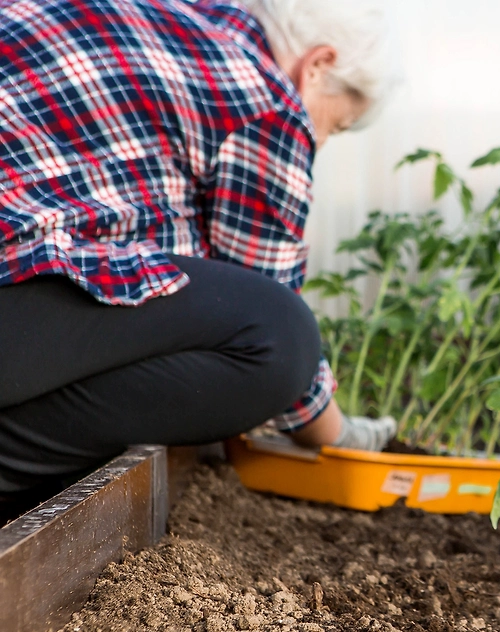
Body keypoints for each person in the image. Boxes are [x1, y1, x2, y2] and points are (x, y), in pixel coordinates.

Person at [0, 0, 397, 498]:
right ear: (317, 65)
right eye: (334, 126)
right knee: (282, 334)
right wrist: (342, 438)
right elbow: (261, 298)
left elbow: (153, 260)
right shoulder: (266, 98)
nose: (318, 141)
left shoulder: (174, 28)